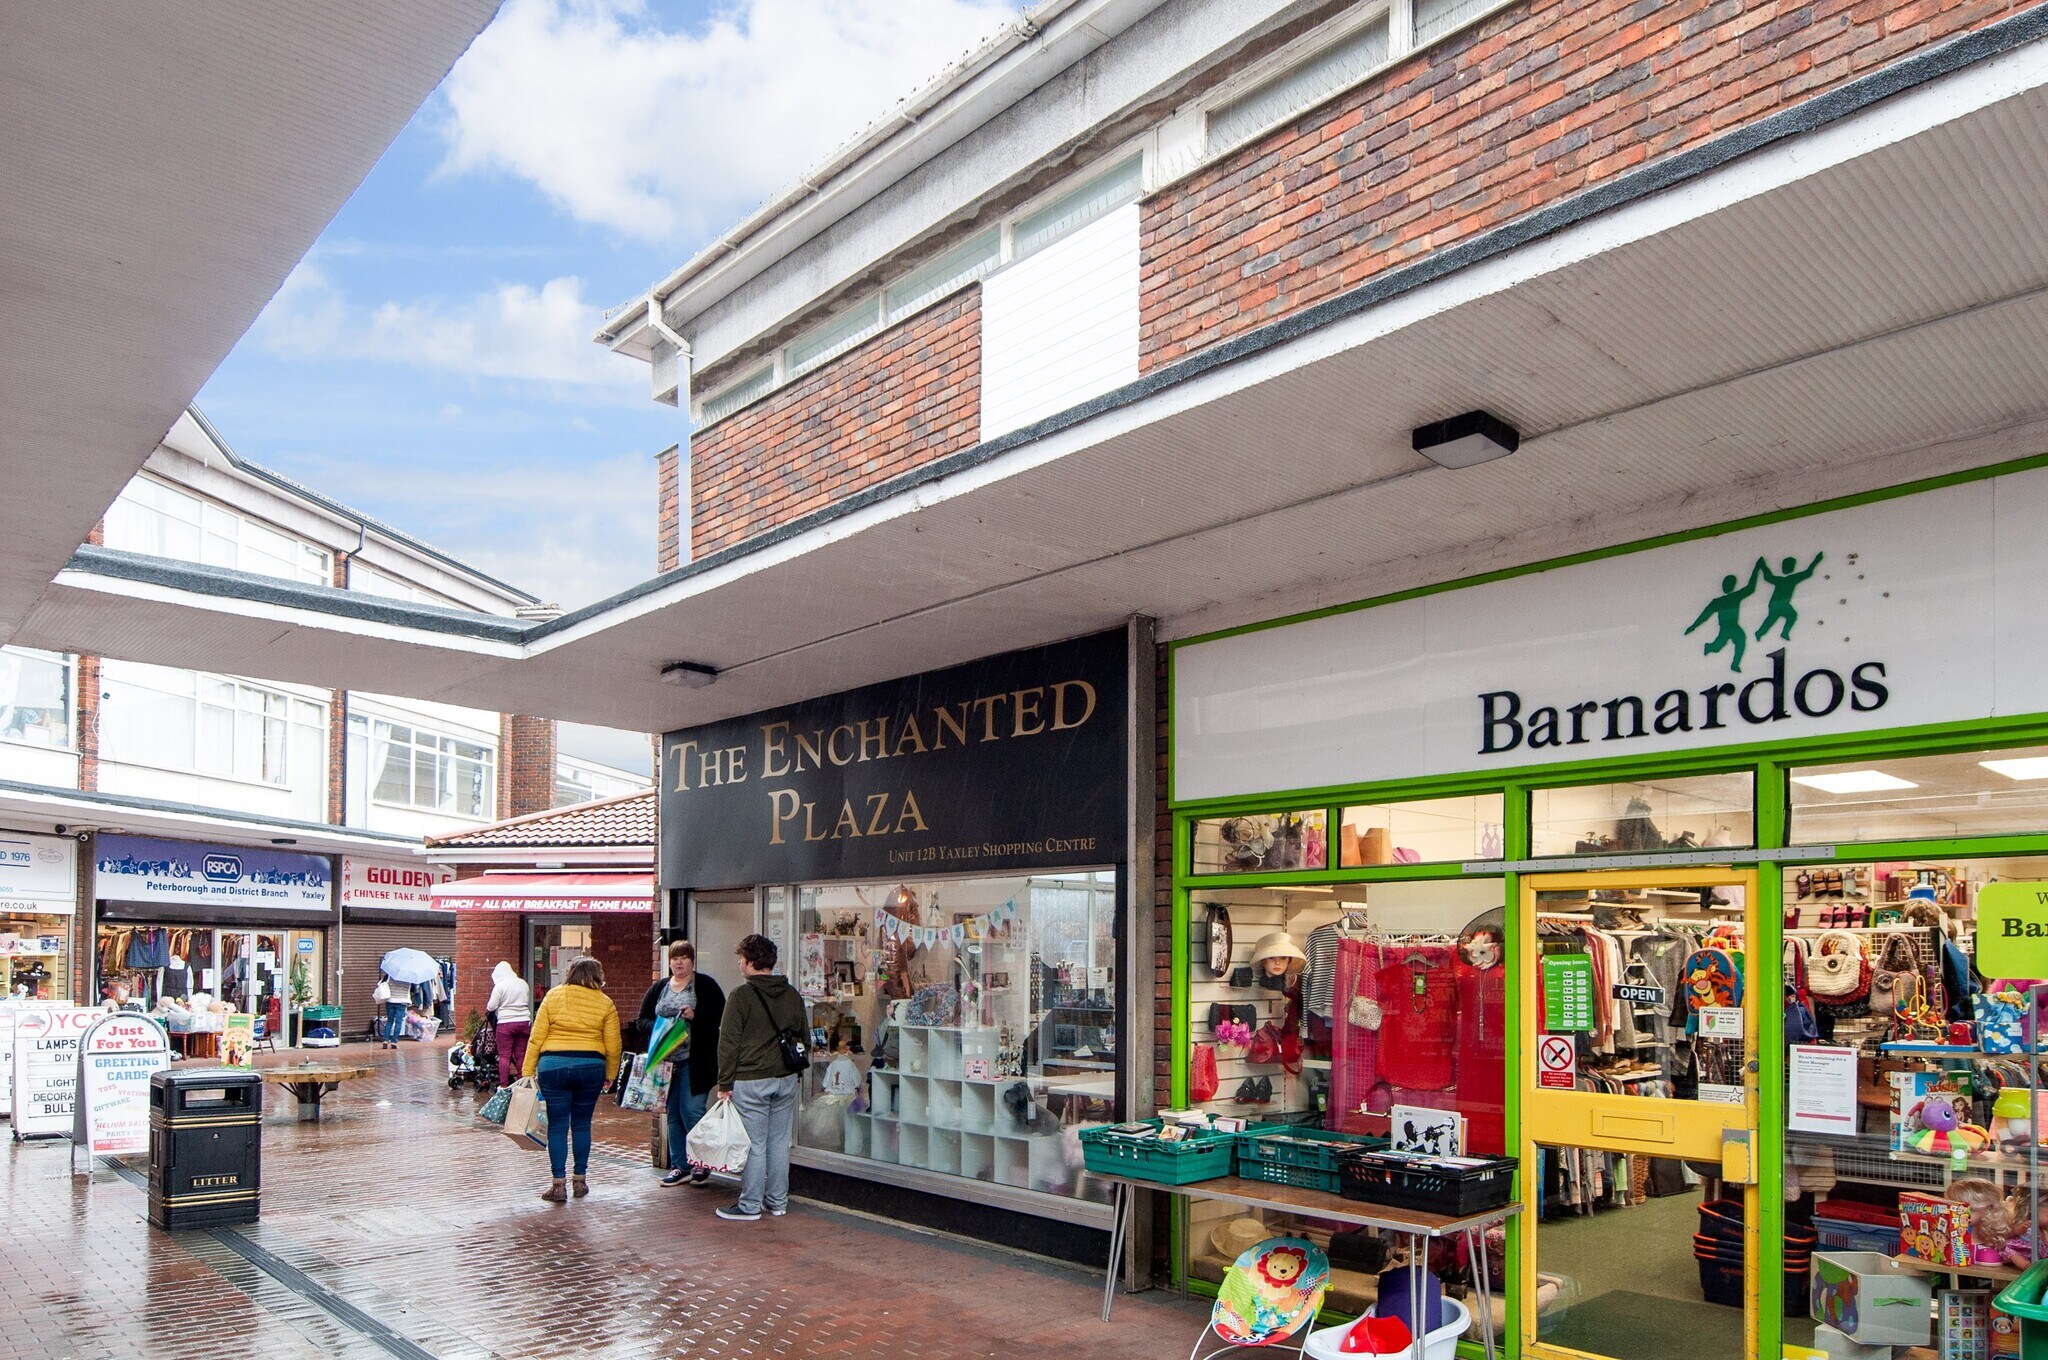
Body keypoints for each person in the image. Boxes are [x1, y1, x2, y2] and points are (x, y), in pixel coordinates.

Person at [714, 933, 808, 1222]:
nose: (740, 965)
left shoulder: (741, 996)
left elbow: (728, 1042)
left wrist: (725, 1083)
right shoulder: (792, 994)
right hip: (786, 1078)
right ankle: (777, 1201)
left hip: (751, 1078)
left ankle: (750, 1205)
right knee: (779, 1142)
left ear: (751, 962)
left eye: (742, 960)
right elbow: (804, 1037)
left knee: (755, 1144)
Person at [522, 956, 621, 1203]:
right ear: (597, 975)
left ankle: (558, 1185)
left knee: (557, 1126)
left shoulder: (553, 996)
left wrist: (526, 1072)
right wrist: (610, 1074)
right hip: (591, 1067)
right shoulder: (605, 1002)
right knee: (581, 1125)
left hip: (553, 1066)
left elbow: (536, 1037)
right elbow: (614, 1044)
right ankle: (580, 1180)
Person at [638, 940, 726, 1187]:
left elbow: (720, 1017)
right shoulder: (659, 988)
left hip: (695, 1060)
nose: (679, 962)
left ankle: (702, 1162)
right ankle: (681, 1166)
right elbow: (641, 1020)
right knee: (673, 1114)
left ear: (692, 961)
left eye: (684, 958)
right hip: (665, 1064)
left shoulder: (706, 985)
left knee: (692, 1110)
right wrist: (661, 1027)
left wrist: (694, 1016)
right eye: (675, 958)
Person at [485, 961, 532, 1088]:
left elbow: (491, 1006)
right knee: (521, 1055)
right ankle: (522, 1083)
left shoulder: (500, 986)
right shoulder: (523, 983)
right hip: (524, 1022)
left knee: (504, 1056)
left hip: (506, 1024)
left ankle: (504, 1086)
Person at [372, 975, 409, 1049]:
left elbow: (381, 984)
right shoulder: (409, 977)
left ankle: (385, 1040)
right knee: (399, 1022)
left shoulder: (389, 975)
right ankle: (394, 1042)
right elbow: (413, 990)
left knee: (390, 1021)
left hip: (390, 1001)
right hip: (402, 1001)